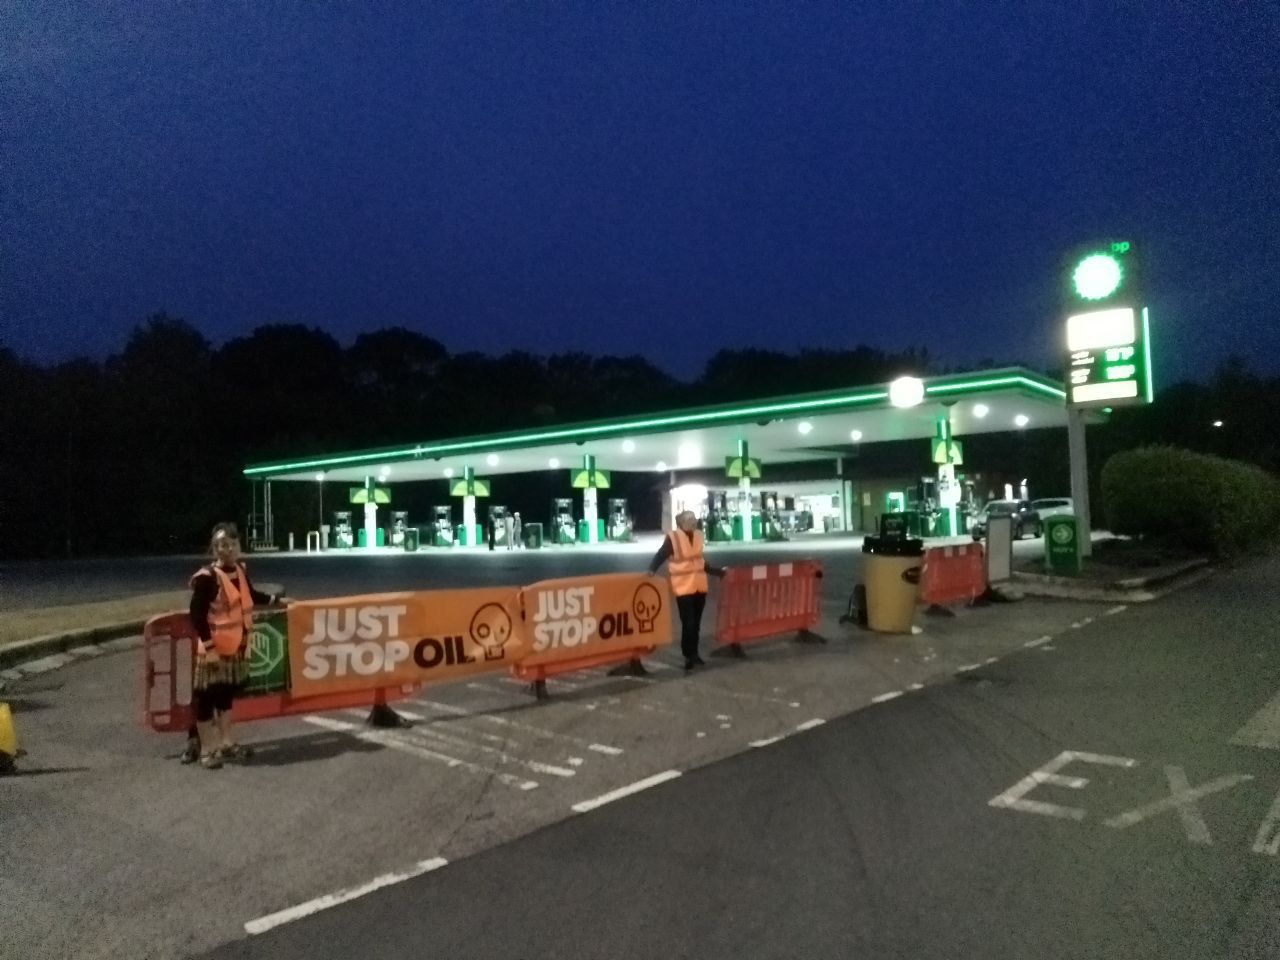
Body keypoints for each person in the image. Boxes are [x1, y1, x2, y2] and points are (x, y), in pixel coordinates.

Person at [182, 522, 287, 769]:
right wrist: (209, 648)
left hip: (235, 648)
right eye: (221, 545)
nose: (227, 549)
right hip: (213, 651)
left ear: (238, 545)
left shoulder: (239, 570)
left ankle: (226, 744)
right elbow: (196, 615)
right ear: (214, 548)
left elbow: (251, 596)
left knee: (225, 698)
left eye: (231, 544)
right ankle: (207, 750)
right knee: (206, 700)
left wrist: (276, 600)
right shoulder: (207, 578)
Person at [647, 510, 726, 671]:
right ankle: (688, 655)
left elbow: (699, 561)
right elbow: (661, 554)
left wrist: (717, 572)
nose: (693, 521)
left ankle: (694, 653)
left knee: (696, 623)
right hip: (683, 587)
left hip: (699, 585)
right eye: (689, 519)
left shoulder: (698, 535)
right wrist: (651, 570)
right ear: (681, 522)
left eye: (694, 518)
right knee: (688, 623)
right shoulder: (674, 538)